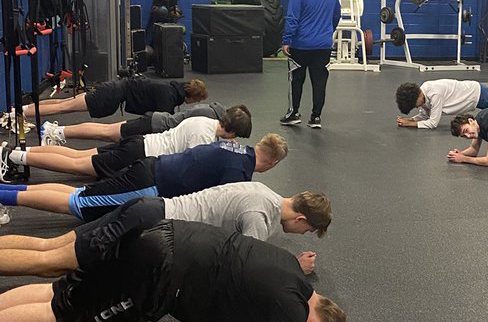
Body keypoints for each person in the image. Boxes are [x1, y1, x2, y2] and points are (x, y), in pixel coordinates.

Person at [0, 219, 387, 322]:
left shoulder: (294, 276)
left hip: (163, 233)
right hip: (159, 271)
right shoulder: (288, 309)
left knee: (63, 292)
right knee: (63, 317)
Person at [0, 185, 332, 278]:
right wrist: (294, 267)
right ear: (302, 219)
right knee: (54, 263)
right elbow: (246, 264)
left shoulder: (263, 191)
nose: (300, 235)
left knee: (51, 248)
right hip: (150, 224)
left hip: (148, 207)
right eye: (306, 231)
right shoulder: (261, 215)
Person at [0, 134, 288, 222]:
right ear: (273, 163)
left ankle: (7, 189)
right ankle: (4, 196)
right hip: (149, 183)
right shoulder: (239, 172)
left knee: (82, 193)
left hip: (152, 168)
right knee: (75, 203)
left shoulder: (235, 148)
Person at [6, 106, 252, 181]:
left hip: (140, 143)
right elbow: (189, 166)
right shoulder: (204, 137)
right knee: (76, 165)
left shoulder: (204, 119)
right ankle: (13, 157)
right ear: (232, 133)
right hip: (139, 152)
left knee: (76, 156)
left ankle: (20, 152)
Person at [280, 0, 341, 129]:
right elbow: (337, 15)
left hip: (301, 45)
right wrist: (327, 31)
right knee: (320, 81)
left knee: (296, 80)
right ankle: (316, 117)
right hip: (323, 46)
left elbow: (292, 18)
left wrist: (286, 41)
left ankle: (293, 113)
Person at [40, 98, 229, 145]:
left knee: (105, 132)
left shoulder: (210, 111)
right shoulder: (209, 117)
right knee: (105, 133)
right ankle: (57, 132)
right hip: (154, 127)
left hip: (154, 123)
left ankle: (57, 130)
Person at [23, 77, 207, 121]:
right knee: (64, 107)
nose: (195, 104)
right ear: (191, 96)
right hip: (112, 93)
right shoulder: (169, 96)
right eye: (196, 100)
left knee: (64, 104)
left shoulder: (172, 89)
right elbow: (161, 121)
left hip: (114, 89)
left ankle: (23, 111)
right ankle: (22, 113)